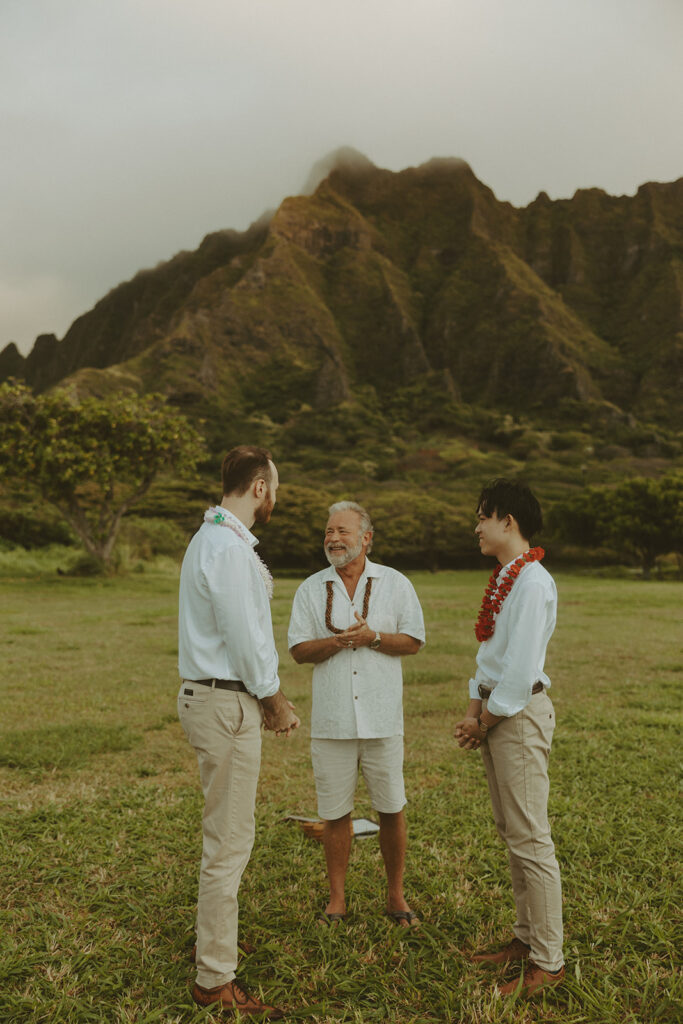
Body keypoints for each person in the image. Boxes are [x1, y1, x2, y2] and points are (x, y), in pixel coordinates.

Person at [178, 445, 299, 1020]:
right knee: (229, 840)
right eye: (275, 486)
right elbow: (246, 637)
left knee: (226, 833)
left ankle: (215, 940)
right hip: (226, 700)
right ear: (258, 488)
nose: (277, 496)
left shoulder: (218, 540)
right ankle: (213, 979)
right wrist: (274, 701)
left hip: (221, 697)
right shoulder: (226, 548)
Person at [288, 501, 425, 927]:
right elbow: (297, 650)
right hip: (332, 721)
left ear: (366, 537)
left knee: (391, 808)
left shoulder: (395, 583)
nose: (333, 538)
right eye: (328, 531)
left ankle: (396, 897)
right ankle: (337, 901)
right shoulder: (311, 588)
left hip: (382, 717)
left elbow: (415, 640)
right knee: (334, 813)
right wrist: (338, 643)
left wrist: (373, 638)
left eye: (343, 531)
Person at [454, 478, 564, 997]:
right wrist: (475, 708)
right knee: (511, 830)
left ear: (509, 522)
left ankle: (548, 960)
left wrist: (484, 721)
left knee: (530, 837)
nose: (476, 525)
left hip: (517, 718)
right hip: (499, 715)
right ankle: (524, 938)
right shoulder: (505, 578)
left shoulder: (534, 581)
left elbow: (519, 674)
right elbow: (489, 660)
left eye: (482, 515)